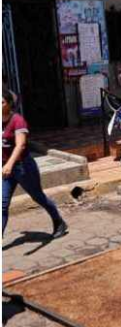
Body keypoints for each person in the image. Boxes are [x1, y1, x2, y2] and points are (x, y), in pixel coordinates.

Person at [2, 90, 68, 237]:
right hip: (6, 169)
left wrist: (9, 164)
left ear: (9, 104)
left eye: (2, 102)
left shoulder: (17, 120)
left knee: (38, 197)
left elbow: (21, 145)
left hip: (23, 167)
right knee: (2, 204)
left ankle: (59, 222)